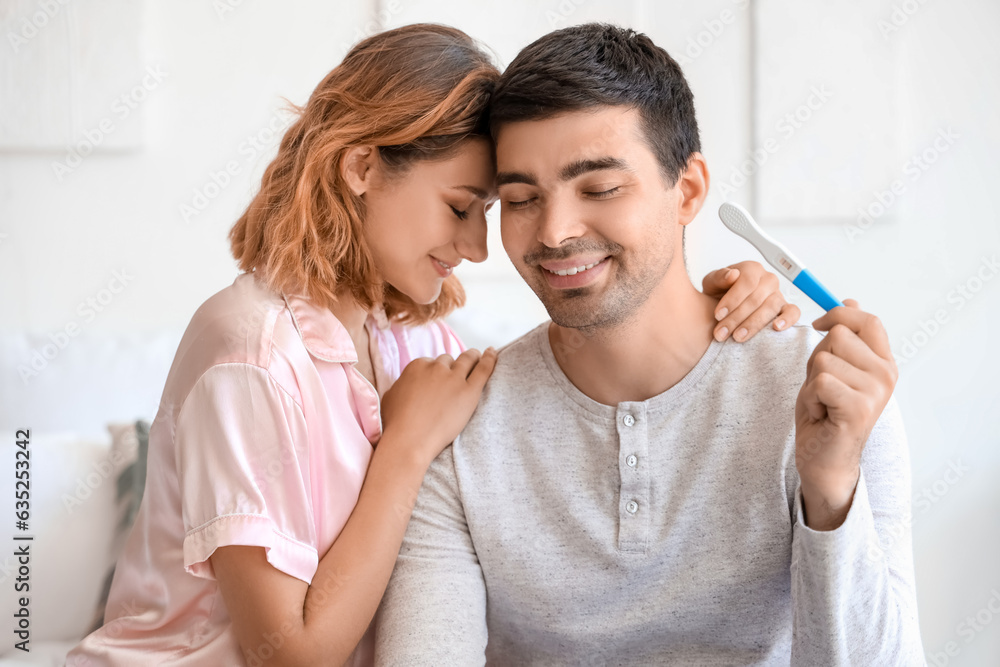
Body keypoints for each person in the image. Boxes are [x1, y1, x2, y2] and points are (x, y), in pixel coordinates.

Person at [66, 24, 796, 667]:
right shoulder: (250, 355)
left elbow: (564, 356)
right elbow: (289, 656)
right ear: (361, 169)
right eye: (460, 207)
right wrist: (405, 449)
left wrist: (720, 299)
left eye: (490, 209)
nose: (479, 247)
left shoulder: (401, 336)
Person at [375, 23, 924, 666]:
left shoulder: (830, 397)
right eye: (522, 199)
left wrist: (830, 491)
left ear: (687, 190)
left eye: (600, 189)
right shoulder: (458, 423)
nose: (554, 232)